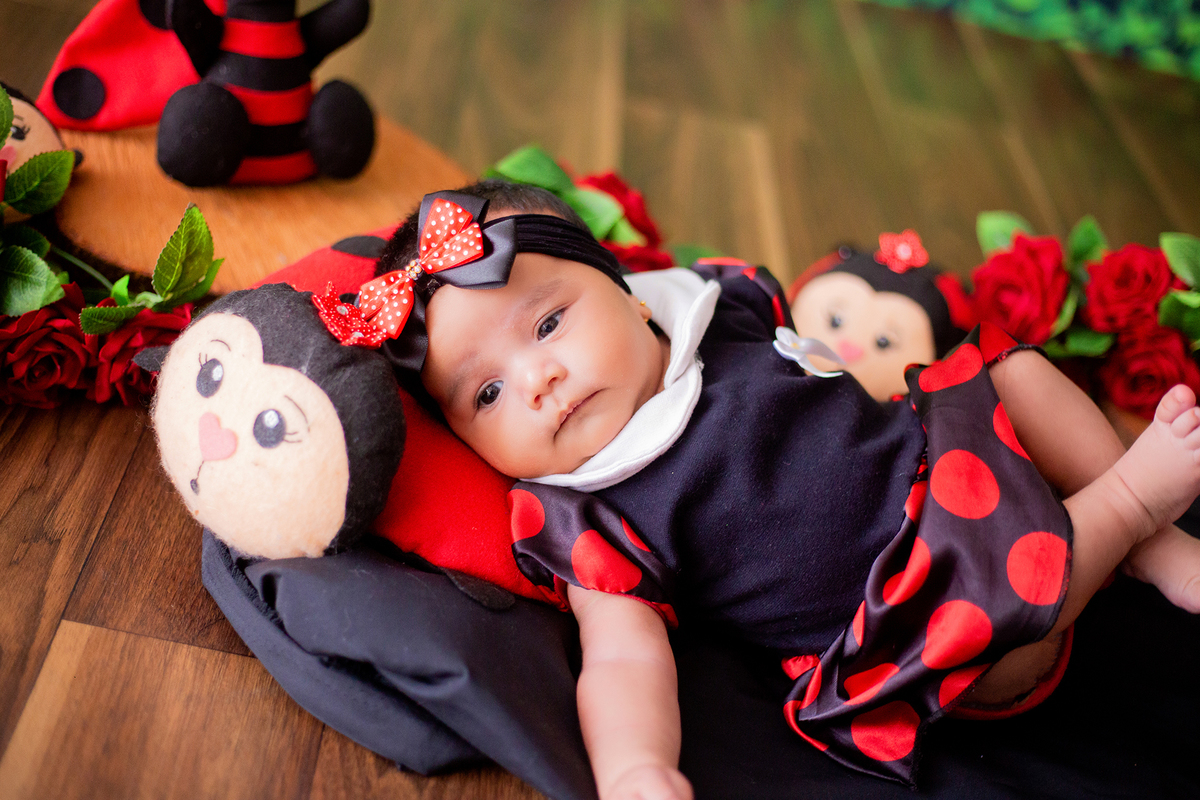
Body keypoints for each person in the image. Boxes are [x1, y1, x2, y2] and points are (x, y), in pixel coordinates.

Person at [370, 182, 1200, 800]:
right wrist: (636, 767)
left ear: (624, 287)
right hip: (920, 623)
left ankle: (1154, 544)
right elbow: (622, 657)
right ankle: (1129, 505)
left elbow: (824, 373)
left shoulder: (716, 311)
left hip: (953, 466)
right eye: (486, 395)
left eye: (549, 324)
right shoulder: (587, 509)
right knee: (999, 604)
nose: (539, 379)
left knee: (1007, 370)